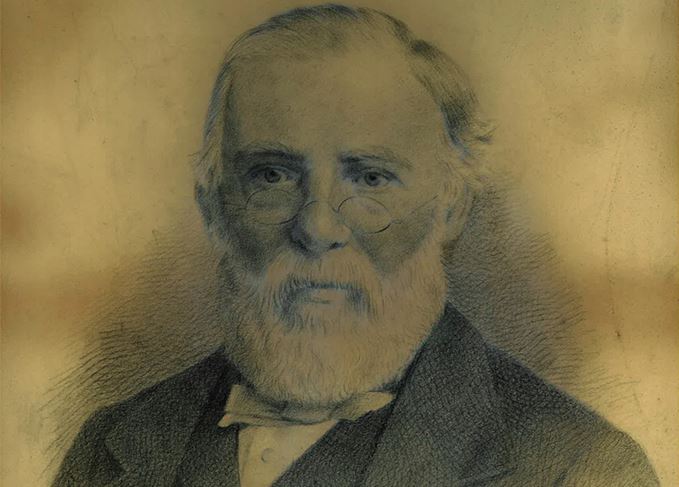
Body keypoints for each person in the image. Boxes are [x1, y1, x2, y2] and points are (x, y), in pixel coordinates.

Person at [54, 5, 658, 486]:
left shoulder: (580, 466)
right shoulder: (111, 446)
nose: (318, 228)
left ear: (451, 207)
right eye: (272, 175)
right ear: (212, 204)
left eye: (370, 179)